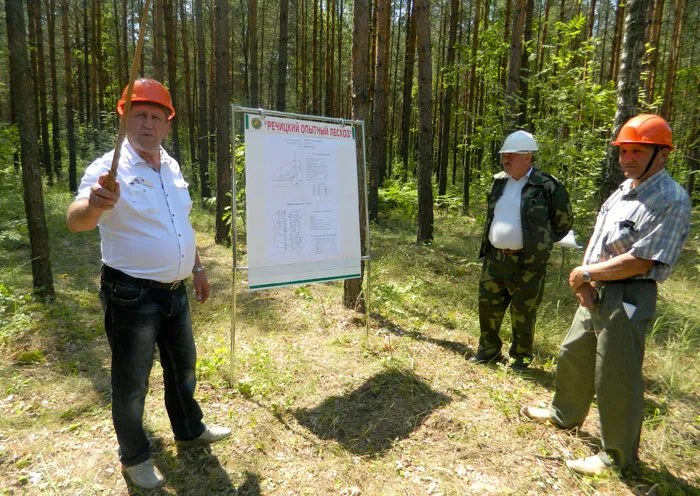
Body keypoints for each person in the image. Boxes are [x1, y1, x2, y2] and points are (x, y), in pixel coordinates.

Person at [67, 79, 230, 490]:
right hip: (131, 294)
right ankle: (135, 457)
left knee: (183, 369)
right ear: (124, 117)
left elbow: (180, 225)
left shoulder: (171, 166)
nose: (148, 123)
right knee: (132, 381)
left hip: (176, 291)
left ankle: (189, 429)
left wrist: (197, 268)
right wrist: (95, 203)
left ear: (167, 124)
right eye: (139, 114)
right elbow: (76, 220)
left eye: (157, 116)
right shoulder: (109, 168)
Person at [522, 115, 691, 475]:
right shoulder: (624, 189)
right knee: (574, 353)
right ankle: (564, 413)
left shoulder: (671, 199)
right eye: (623, 150)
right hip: (596, 285)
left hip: (628, 294)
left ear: (661, 154)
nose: (626, 158)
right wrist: (584, 280)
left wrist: (585, 273)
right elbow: (599, 238)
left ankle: (616, 455)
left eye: (636, 151)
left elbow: (642, 260)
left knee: (617, 373)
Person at [472, 130, 573, 369]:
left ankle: (520, 358)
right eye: (503, 156)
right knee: (488, 308)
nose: (505, 160)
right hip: (495, 260)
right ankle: (488, 351)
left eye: (511, 156)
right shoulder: (499, 182)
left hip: (528, 263)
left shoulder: (547, 185)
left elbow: (564, 223)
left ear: (527, 157)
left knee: (524, 313)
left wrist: (539, 245)